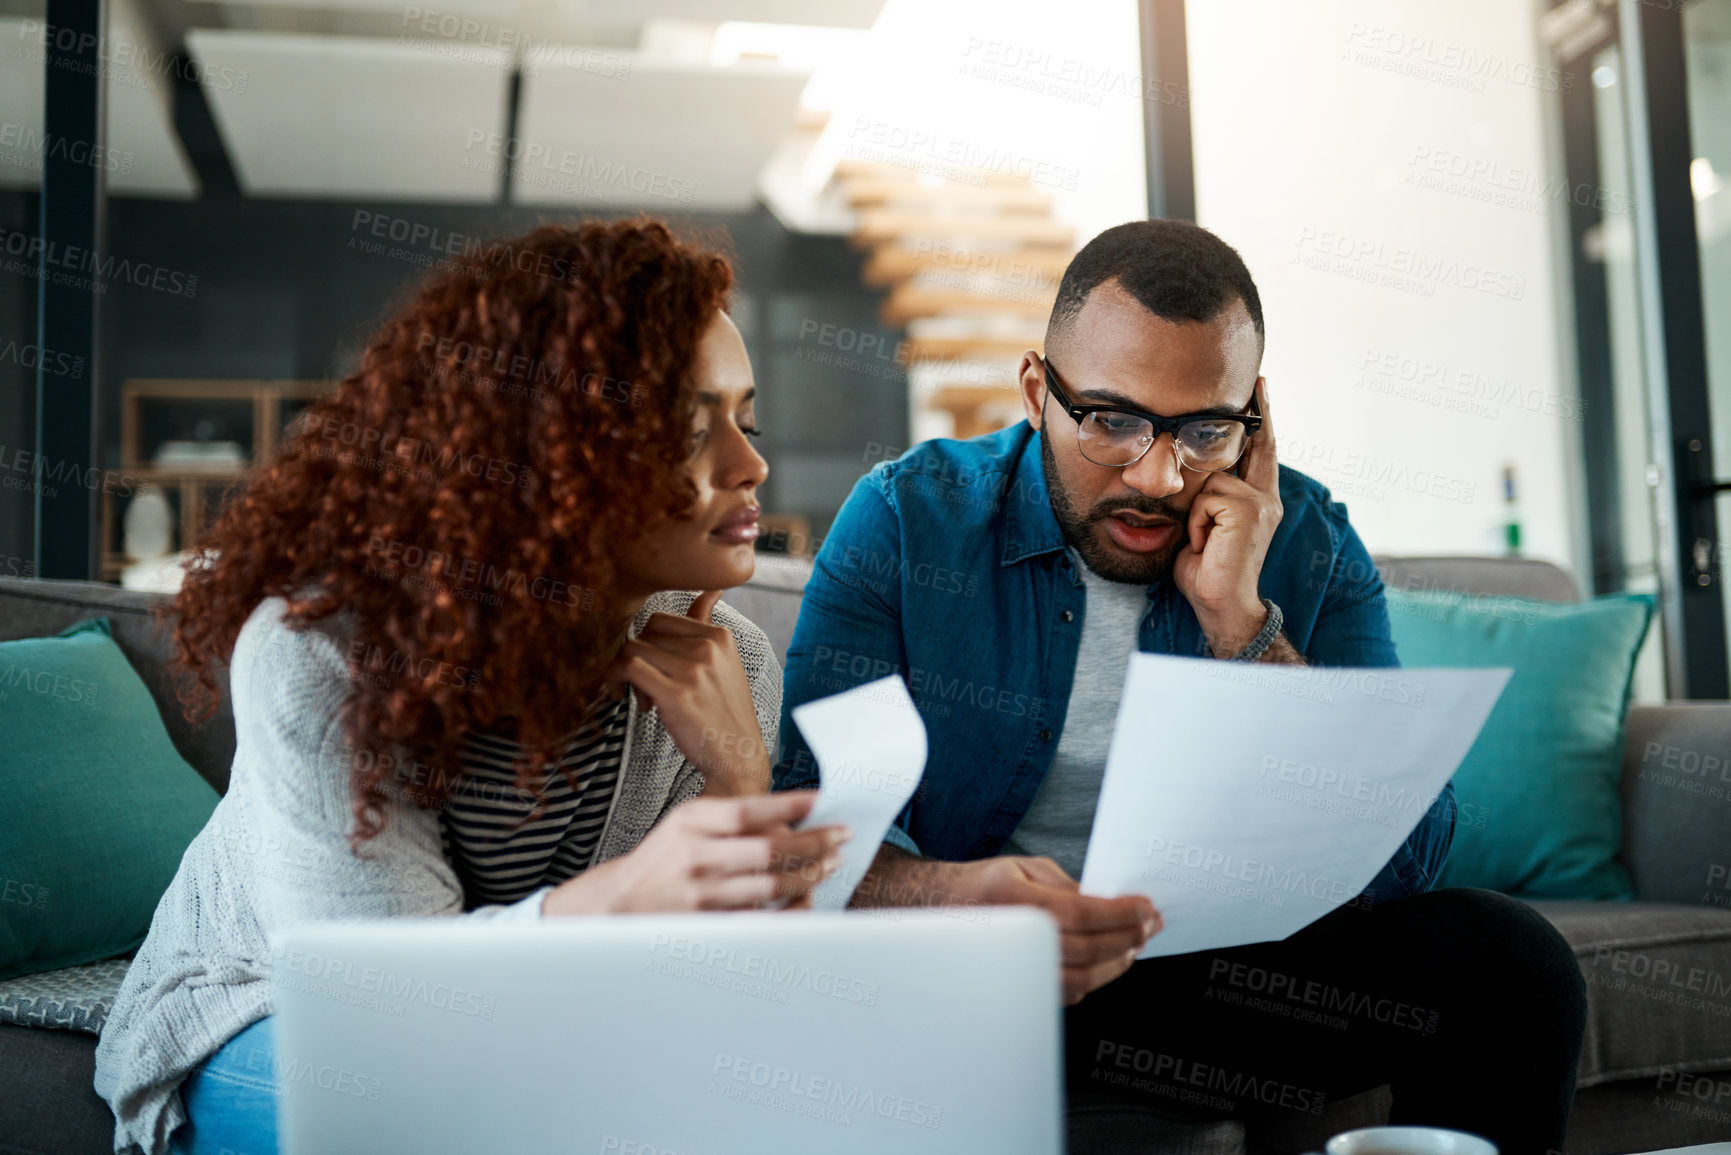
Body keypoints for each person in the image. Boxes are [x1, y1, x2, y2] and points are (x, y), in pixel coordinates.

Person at [774, 220, 1586, 1154]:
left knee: (1510, 962)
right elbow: (807, 843)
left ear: (1255, 419)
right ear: (1037, 390)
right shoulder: (905, 520)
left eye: (1204, 430)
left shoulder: (1309, 540)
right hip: (972, 981)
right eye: (1111, 421)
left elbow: (1409, 864)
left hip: (1210, 988)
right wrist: (962, 897)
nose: (1157, 477)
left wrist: (1243, 626)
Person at [95, 219, 847, 1155]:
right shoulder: (324, 656)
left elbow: (737, 1003)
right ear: (548, 453)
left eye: (747, 420)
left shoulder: (723, 658)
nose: (749, 466)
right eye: (692, 431)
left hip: (553, 1038)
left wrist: (740, 782)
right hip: (276, 1011)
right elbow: (389, 1017)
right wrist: (621, 902)